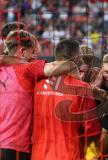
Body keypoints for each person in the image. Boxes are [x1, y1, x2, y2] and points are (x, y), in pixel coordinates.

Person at [0, 30, 80, 160]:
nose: (34, 57)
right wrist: (79, 80)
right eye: (32, 52)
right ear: (22, 51)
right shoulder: (27, 69)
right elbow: (67, 65)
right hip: (15, 149)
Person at [32, 39, 100, 160]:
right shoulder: (83, 88)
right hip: (69, 155)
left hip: (38, 155)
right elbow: (91, 129)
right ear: (77, 58)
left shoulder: (37, 84)